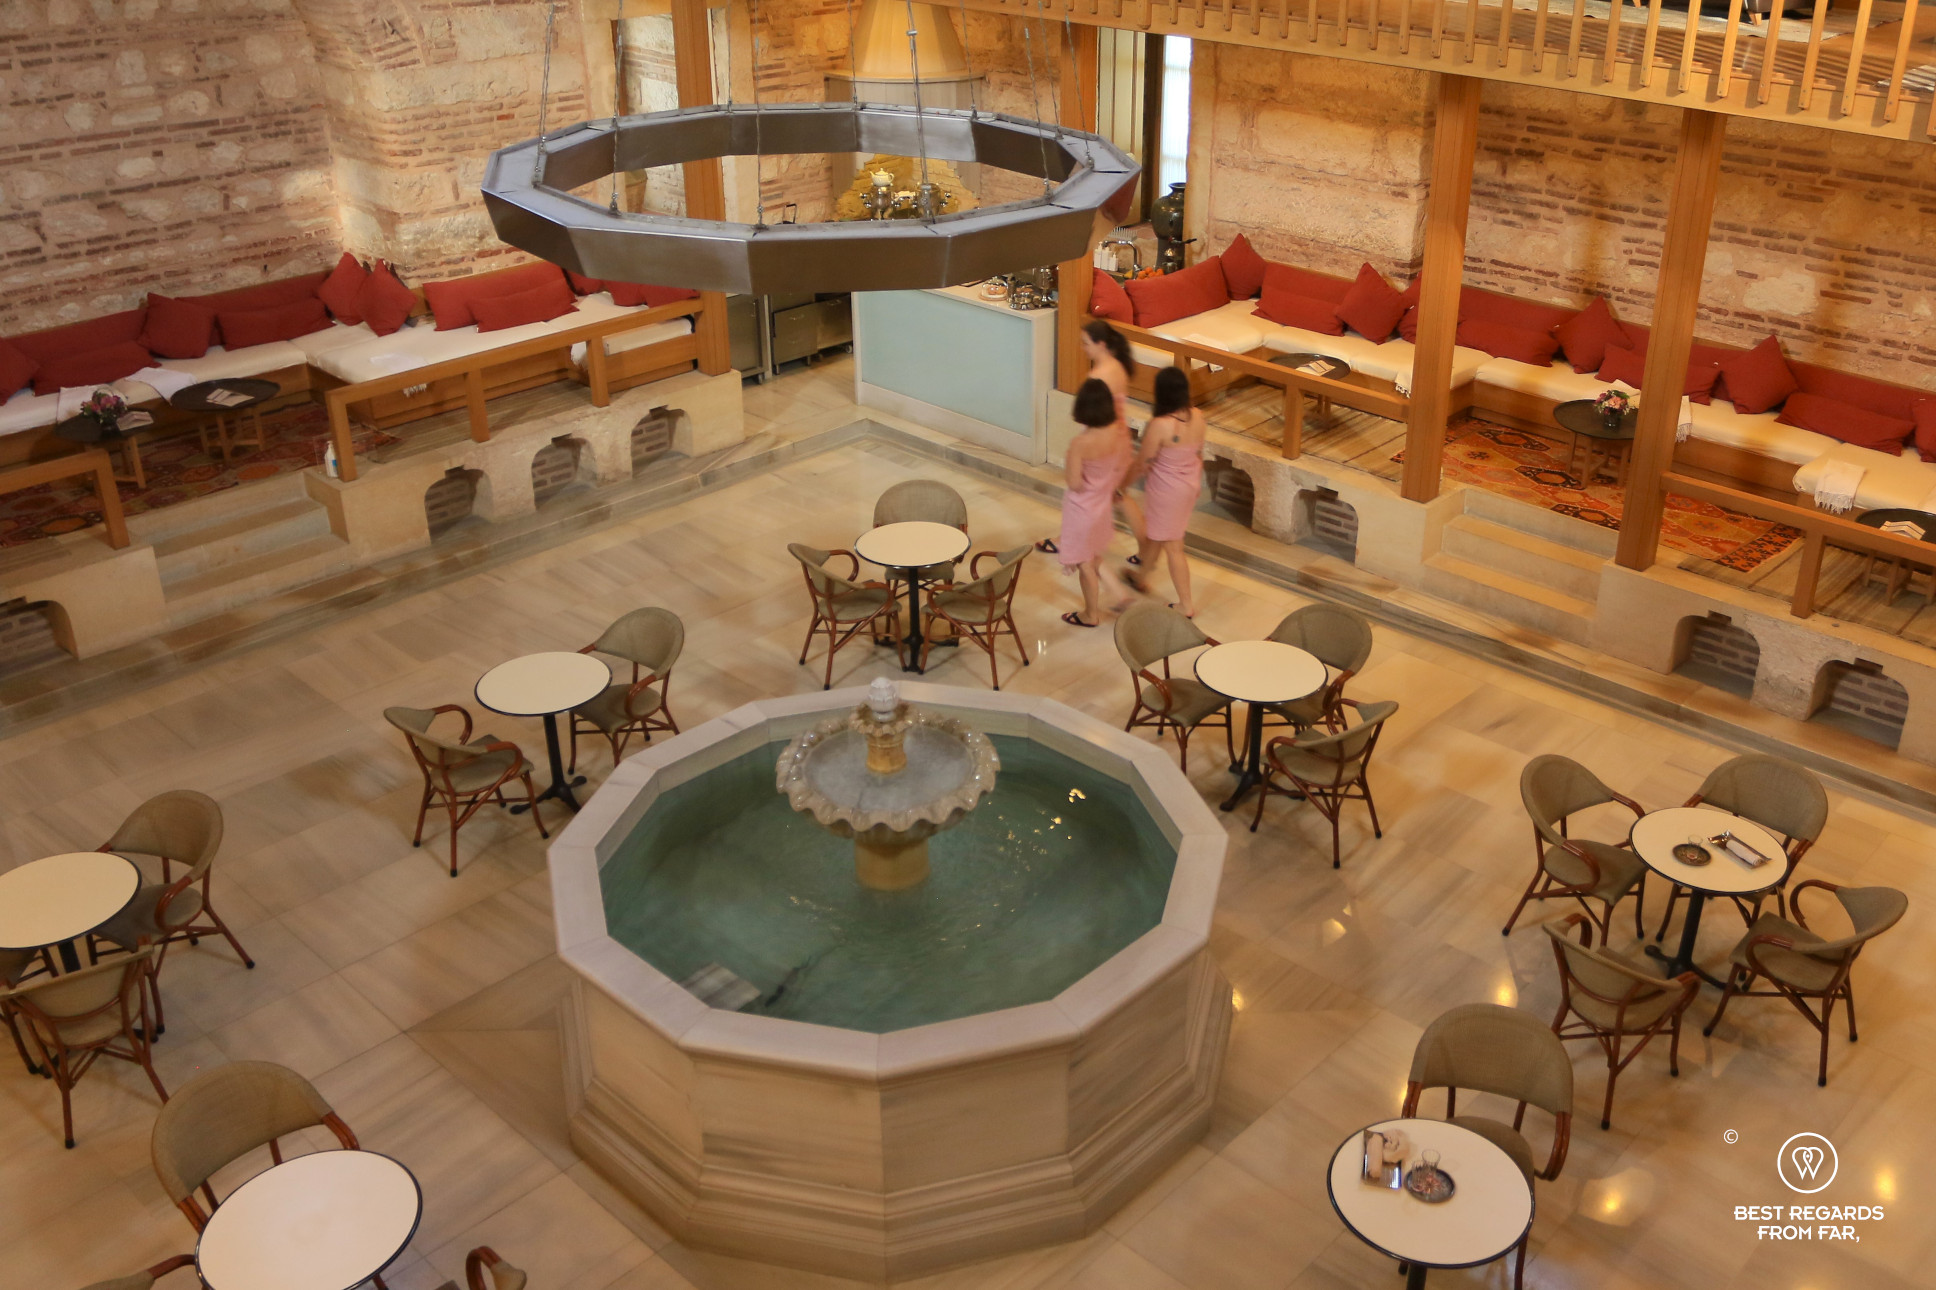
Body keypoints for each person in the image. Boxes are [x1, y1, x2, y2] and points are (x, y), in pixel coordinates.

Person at [1040, 320, 1145, 557]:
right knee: (1119, 495)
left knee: (1081, 497)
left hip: (1103, 441)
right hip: (1118, 438)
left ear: (1101, 344)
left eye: (1086, 343)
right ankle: (1145, 548)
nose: (1083, 348)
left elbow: (1093, 415)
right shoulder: (1118, 366)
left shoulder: (1099, 375)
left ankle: (1068, 540)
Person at [1125, 365, 1207, 617]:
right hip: (1188, 483)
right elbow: (1199, 453)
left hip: (1168, 491)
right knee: (1156, 533)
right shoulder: (1197, 415)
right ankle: (1141, 577)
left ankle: (1185, 604)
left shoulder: (1161, 424)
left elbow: (1143, 461)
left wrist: (1122, 484)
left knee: (1173, 545)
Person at [1057, 377, 1133, 628]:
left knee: (1085, 563)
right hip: (1102, 504)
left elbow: (1074, 482)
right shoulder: (1118, 434)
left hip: (1081, 509)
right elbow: (1123, 466)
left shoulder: (1081, 443)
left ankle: (1090, 614)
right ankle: (1120, 595)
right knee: (1093, 554)